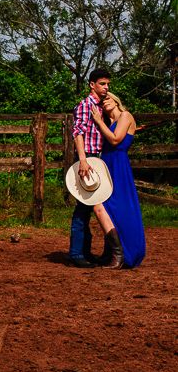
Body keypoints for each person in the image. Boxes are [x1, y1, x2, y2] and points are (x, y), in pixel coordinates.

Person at [91, 93, 146, 268]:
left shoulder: (125, 115)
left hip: (119, 166)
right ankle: (111, 252)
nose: (105, 101)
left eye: (108, 98)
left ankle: (119, 254)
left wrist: (99, 121)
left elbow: (115, 139)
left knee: (108, 207)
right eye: (102, 100)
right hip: (107, 165)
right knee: (105, 208)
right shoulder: (109, 123)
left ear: (116, 100)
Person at [69, 69, 110, 267]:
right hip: (89, 158)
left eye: (108, 84)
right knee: (84, 207)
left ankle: (84, 251)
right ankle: (77, 254)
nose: (106, 87)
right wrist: (83, 159)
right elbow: (78, 132)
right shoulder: (86, 105)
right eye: (102, 84)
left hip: (99, 159)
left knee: (94, 207)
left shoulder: (101, 107)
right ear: (92, 85)